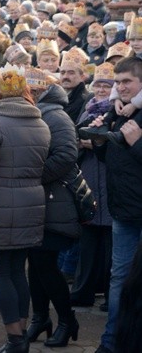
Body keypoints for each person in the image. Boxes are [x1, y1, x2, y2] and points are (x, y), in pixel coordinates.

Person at [0, 69, 50, 353]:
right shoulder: (40, 123)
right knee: (18, 271)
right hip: (31, 205)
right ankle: (21, 335)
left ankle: (15, 339)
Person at [89, 56, 142, 353]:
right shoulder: (117, 112)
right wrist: (98, 142)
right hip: (122, 211)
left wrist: (138, 144)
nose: (121, 87)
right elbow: (112, 160)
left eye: (127, 82)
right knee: (119, 277)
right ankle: (111, 342)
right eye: (117, 82)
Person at [26, 74, 81, 347]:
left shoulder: (56, 116)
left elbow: (67, 155)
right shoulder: (39, 113)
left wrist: (33, 177)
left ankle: (67, 320)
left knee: (46, 265)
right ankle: (40, 319)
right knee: (35, 265)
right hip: (41, 201)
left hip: (55, 201)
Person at [71, 63, 114, 310]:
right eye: (97, 84)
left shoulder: (118, 112)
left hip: (109, 185)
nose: (100, 89)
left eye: (106, 85)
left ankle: (110, 295)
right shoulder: (87, 111)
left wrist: (97, 144)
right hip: (89, 182)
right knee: (87, 244)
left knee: (111, 247)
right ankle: (82, 291)